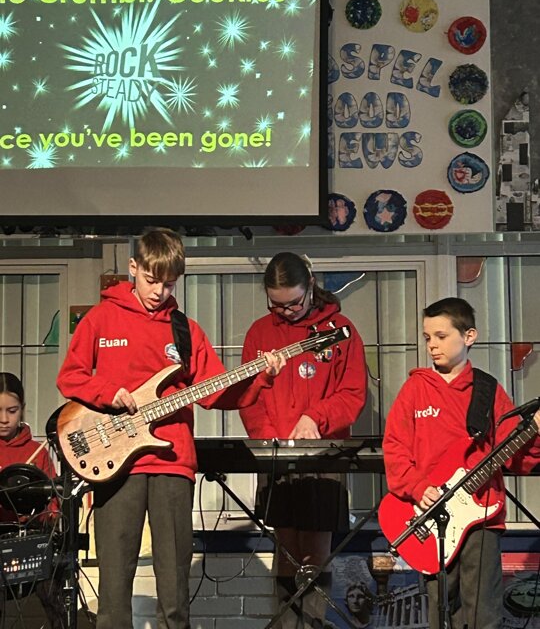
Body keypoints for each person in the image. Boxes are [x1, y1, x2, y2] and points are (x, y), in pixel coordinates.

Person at [56, 227, 284, 629]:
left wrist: (262, 377)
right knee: (113, 590)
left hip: (173, 461)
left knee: (175, 589)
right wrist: (110, 393)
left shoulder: (186, 330)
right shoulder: (101, 318)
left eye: (169, 284)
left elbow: (216, 393)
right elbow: (70, 377)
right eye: (151, 280)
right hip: (114, 461)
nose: (159, 292)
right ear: (133, 267)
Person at [383, 297, 540, 629]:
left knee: (484, 613)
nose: (432, 345)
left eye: (441, 336)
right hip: (431, 515)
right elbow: (395, 449)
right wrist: (417, 487)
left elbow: (517, 455)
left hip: (482, 516)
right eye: (427, 337)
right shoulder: (414, 389)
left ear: (469, 336)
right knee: (441, 611)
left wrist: (536, 432)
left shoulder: (488, 389)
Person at [239, 252, 367, 628]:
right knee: (287, 551)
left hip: (324, 455)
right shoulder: (260, 333)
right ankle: (286, 624)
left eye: (294, 303)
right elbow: (249, 397)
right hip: (277, 456)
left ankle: (312, 623)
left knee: (315, 552)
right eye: (276, 304)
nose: (287, 312)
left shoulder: (341, 329)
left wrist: (316, 417)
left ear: (310, 286)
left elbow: (353, 394)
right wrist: (269, 442)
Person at [0, 372, 66, 629]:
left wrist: (48, 516)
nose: (4, 419)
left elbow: (54, 502)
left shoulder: (37, 451)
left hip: (31, 538)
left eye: (12, 411)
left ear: (23, 409)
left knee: (50, 580)